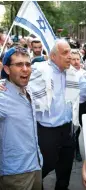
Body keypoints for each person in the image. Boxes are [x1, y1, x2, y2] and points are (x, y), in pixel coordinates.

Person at [0, 39, 86, 190]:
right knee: (44, 166)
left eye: (70, 52)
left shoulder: (73, 74)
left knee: (65, 169)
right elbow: (14, 79)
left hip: (68, 130)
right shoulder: (38, 70)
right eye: (65, 53)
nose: (70, 56)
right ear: (53, 56)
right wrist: (2, 81)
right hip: (46, 132)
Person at [0, 46, 42, 190]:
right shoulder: (2, 97)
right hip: (15, 174)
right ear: (6, 69)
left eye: (28, 64)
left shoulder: (28, 90)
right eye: (19, 64)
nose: (25, 69)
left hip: (36, 165)